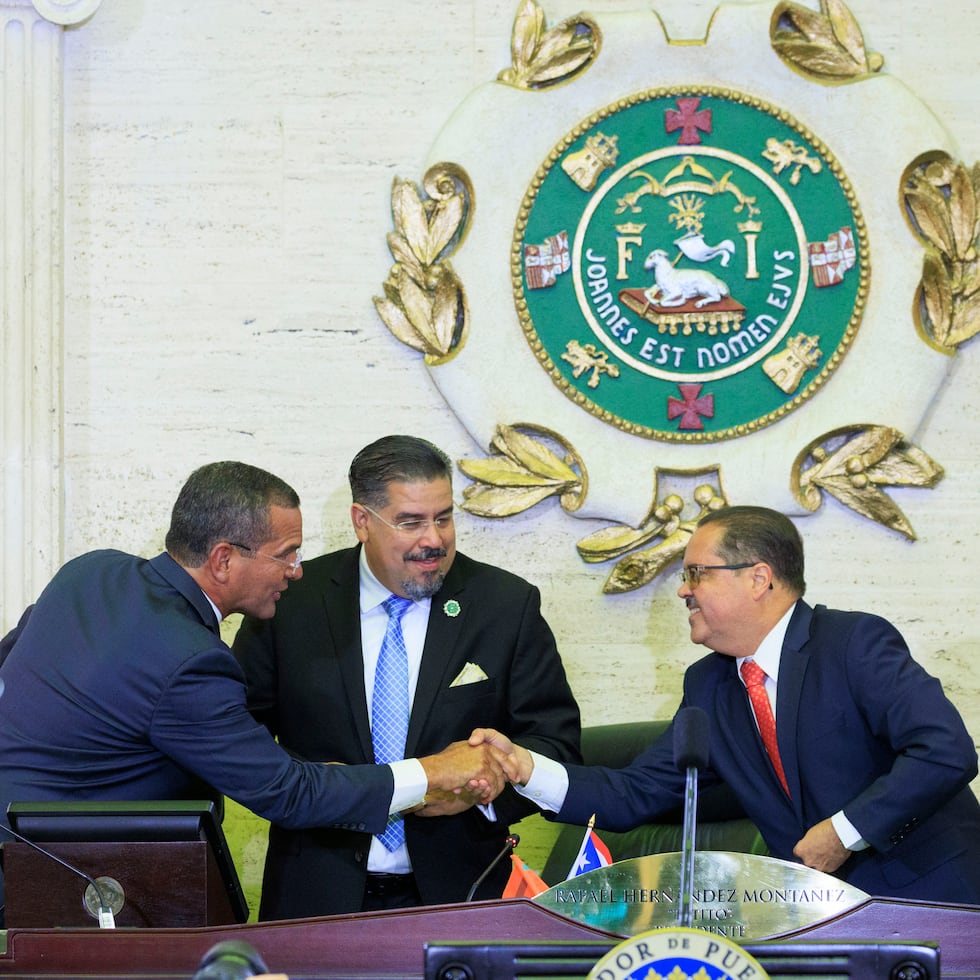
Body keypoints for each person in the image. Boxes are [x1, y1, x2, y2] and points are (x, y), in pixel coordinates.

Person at [0, 461, 506, 925]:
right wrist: (431, 771)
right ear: (223, 560)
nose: (297, 571)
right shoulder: (190, 661)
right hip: (51, 888)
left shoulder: (91, 571)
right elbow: (288, 794)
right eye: (285, 555)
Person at [475, 505, 980, 904]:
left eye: (697, 574)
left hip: (935, 900)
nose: (682, 591)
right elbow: (635, 792)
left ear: (758, 579)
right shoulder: (711, 686)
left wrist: (844, 833)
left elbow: (945, 752)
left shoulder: (852, 643)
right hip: (825, 918)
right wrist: (525, 768)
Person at [232, 435, 581, 917]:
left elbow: (555, 744)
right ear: (362, 522)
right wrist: (305, 786)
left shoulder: (504, 605)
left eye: (443, 517)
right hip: (315, 894)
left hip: (464, 894)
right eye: (410, 522)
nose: (434, 539)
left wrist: (486, 787)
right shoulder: (292, 603)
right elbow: (235, 732)